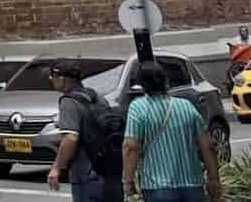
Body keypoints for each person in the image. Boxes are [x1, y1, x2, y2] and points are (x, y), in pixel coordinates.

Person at [122, 61, 221, 202]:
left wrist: (128, 181)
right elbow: (208, 146)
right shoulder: (186, 106)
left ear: (142, 85)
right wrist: (213, 179)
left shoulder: (138, 108)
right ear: (165, 81)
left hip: (157, 187)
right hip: (193, 185)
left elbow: (131, 146)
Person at [47, 60, 123, 202]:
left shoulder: (68, 102)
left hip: (84, 172)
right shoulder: (95, 96)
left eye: (53, 76)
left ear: (63, 79)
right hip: (107, 168)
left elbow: (70, 138)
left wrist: (56, 168)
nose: (51, 80)